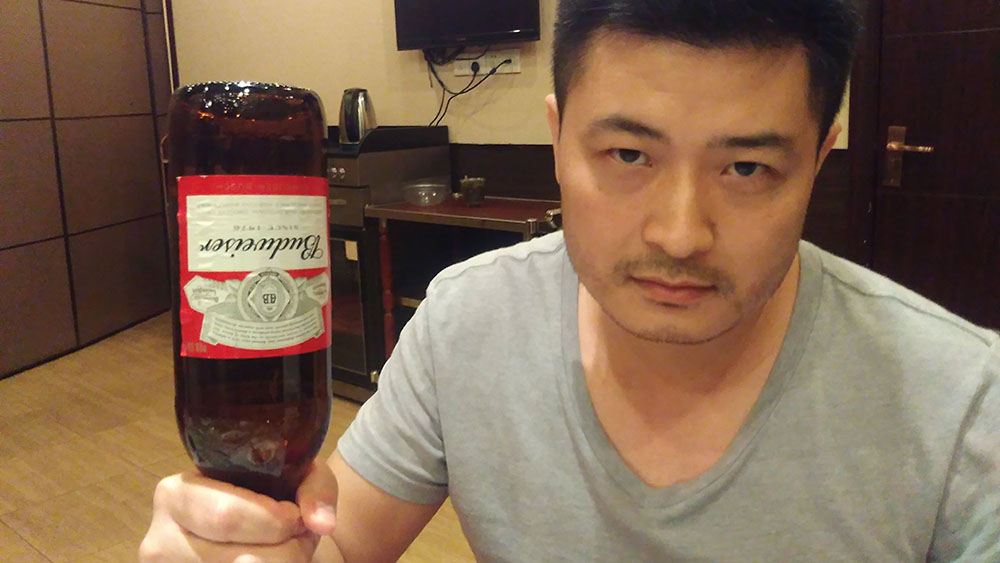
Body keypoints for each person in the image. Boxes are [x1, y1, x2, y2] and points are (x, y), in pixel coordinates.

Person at [140, 0, 1000, 560]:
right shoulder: (467, 322)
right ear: (557, 140)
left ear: (819, 157)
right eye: (627, 155)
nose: (679, 233)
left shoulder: (962, 402)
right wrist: (241, 544)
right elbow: (335, 543)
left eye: (746, 168)